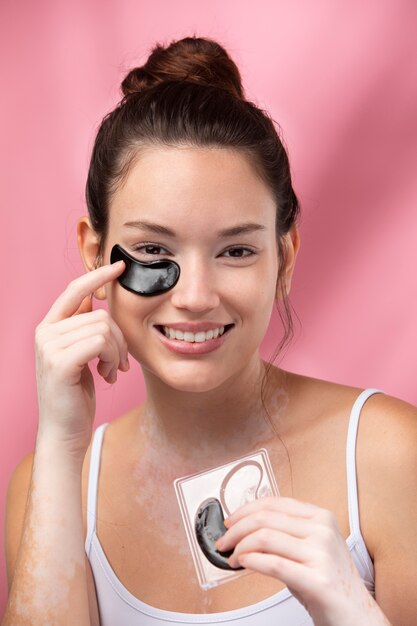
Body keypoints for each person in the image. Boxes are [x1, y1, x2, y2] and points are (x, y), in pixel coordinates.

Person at [3, 35, 417, 626]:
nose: (195, 297)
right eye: (152, 248)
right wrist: (62, 447)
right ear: (96, 255)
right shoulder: (48, 486)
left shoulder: (391, 457)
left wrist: (354, 613)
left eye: (236, 250)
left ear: (285, 256)